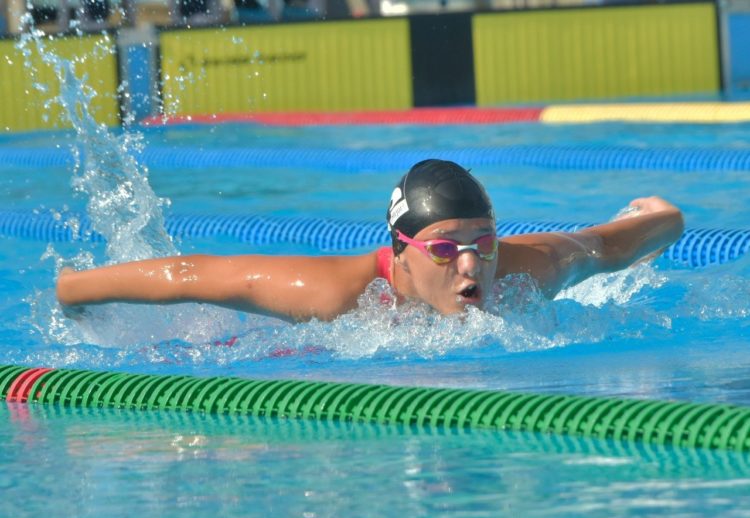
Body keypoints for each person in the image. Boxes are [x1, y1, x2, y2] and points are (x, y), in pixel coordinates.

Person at [56, 159, 685, 322]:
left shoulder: (528, 268)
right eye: (444, 249)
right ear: (403, 253)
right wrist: (74, 290)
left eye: (483, 242)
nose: (472, 264)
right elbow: (202, 277)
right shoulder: (338, 296)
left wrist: (665, 217)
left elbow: (605, 244)